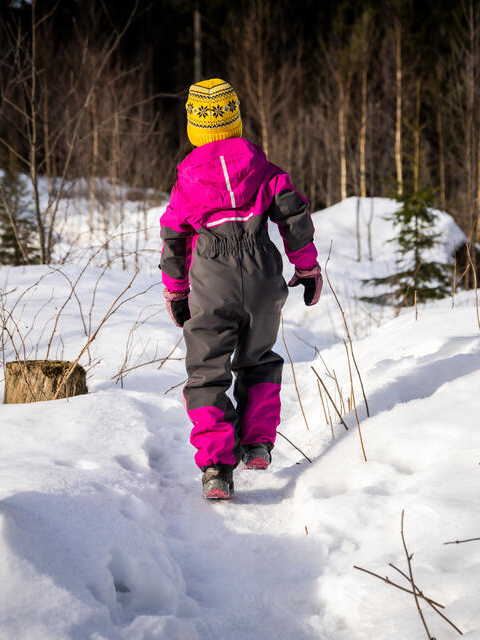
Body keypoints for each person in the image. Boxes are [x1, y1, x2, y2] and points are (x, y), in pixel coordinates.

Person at [159, 78, 322, 500]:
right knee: (259, 357)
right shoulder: (262, 168)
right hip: (263, 278)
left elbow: (174, 238)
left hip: (212, 281)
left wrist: (177, 291)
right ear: (234, 120)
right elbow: (294, 213)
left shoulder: (187, 179)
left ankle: (216, 466)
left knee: (208, 372)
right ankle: (257, 443)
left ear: (195, 127)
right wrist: (306, 268)